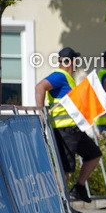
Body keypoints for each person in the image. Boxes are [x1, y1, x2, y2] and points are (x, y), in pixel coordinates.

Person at [34, 47, 102, 202]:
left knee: (93, 154)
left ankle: (78, 189)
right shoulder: (60, 75)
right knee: (64, 168)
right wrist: (41, 113)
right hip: (63, 130)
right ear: (73, 61)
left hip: (74, 129)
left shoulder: (67, 78)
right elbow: (40, 87)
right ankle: (60, 205)